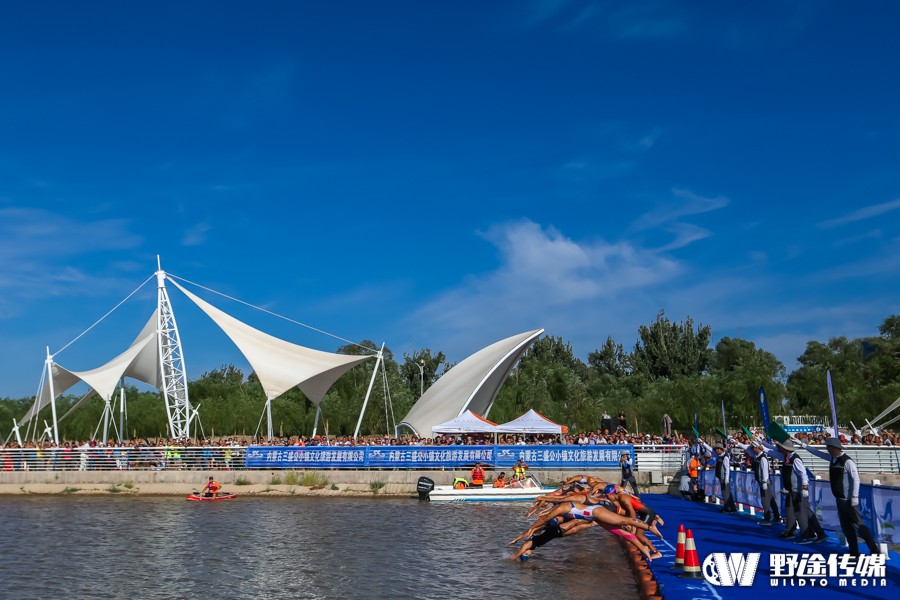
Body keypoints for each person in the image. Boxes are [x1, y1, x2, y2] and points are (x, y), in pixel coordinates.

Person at [803, 437, 880, 555]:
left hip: (848, 500)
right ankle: (854, 552)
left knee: (859, 526)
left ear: (835, 447)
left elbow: (856, 479)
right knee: (846, 527)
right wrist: (804, 446)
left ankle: (875, 551)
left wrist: (854, 497)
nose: (827, 450)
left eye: (829, 447)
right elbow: (818, 453)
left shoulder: (847, 461)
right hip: (840, 499)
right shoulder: (833, 459)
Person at [765, 439, 826, 543]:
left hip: (798, 490)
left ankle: (808, 535)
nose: (779, 449)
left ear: (785, 449)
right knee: (798, 511)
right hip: (792, 489)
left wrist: (805, 488)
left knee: (802, 512)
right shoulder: (787, 457)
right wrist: (762, 445)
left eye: (781, 447)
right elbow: (772, 452)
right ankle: (806, 533)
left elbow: (803, 473)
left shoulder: (795, 459)